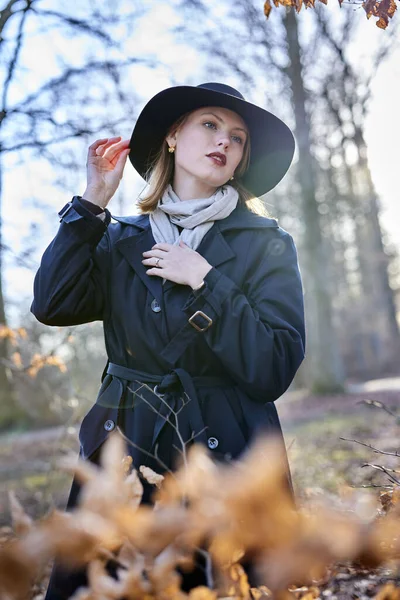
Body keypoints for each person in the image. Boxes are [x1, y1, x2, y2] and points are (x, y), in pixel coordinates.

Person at [31, 82, 306, 599]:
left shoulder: (267, 244)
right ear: (174, 136)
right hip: (124, 445)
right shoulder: (118, 238)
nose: (225, 141)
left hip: (230, 453)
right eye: (210, 125)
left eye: (239, 138)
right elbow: (52, 304)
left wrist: (206, 280)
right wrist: (92, 205)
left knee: (226, 584)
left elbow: (274, 365)